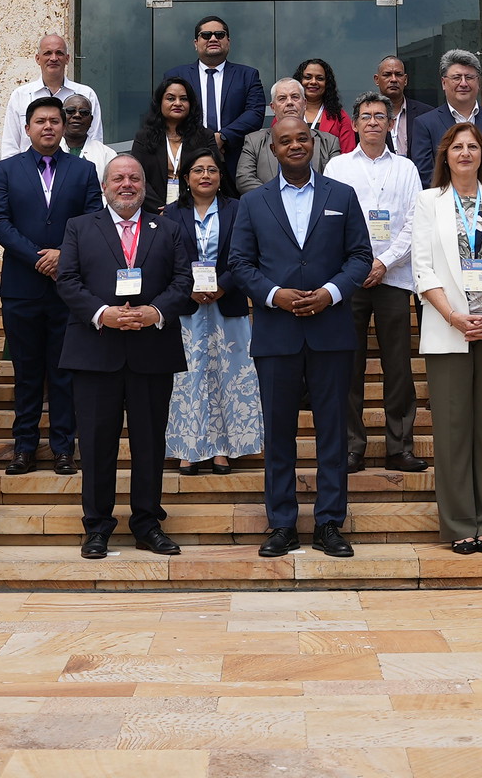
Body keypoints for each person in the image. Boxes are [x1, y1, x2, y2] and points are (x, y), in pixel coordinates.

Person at [230, 117, 375, 558]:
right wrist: (275, 295)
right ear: (271, 150)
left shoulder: (341, 196)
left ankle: (330, 523)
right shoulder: (254, 203)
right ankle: (282, 525)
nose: (295, 145)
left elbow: (360, 256)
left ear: (314, 143)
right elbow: (240, 263)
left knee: (333, 432)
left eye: (302, 138)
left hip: (330, 332)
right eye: (285, 141)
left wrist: (331, 294)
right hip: (277, 333)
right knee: (279, 435)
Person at [57, 155, 195, 558]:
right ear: (105, 185)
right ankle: (97, 527)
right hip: (95, 351)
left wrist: (155, 312)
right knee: (98, 445)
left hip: (152, 351)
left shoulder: (167, 229)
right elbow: (67, 279)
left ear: (144, 185)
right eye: (118, 178)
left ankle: (147, 523)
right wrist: (104, 314)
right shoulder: (80, 227)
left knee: (150, 444)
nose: (127, 184)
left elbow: (183, 280)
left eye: (134, 177)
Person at [413, 123, 482, 555]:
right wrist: (454, 316)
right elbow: (422, 268)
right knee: (453, 428)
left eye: (472, 147)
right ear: (446, 155)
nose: (465, 153)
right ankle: (461, 524)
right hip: (448, 329)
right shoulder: (428, 201)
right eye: (457, 147)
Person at [0, 96, 104, 476]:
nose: (49, 126)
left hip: (68, 289)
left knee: (63, 372)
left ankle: (63, 449)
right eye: (41, 121)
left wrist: (62, 255)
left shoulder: (84, 170)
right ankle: (23, 447)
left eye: (56, 120)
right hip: (23, 286)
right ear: (28, 127)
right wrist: (39, 256)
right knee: (26, 372)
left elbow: (92, 220)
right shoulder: (6, 169)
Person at [324, 92, 425, 475]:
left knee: (398, 365)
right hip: (348, 280)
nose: (372, 123)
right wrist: (358, 264)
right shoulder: (337, 167)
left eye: (380, 116)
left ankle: (400, 446)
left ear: (389, 123)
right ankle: (352, 446)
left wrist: (382, 261)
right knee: (349, 366)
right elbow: (330, 220)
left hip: (395, 277)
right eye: (365, 116)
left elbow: (416, 222)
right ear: (354, 123)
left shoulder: (406, 169)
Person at [164, 148, 261, 475]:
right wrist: (187, 288)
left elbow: (246, 255)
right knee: (187, 376)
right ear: (186, 177)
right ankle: (188, 449)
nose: (205, 175)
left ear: (221, 177)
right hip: (187, 308)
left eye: (212, 170)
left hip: (227, 305)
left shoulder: (238, 209)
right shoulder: (171, 215)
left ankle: (223, 449)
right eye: (198, 170)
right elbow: (166, 261)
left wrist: (224, 285)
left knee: (228, 377)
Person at [162, 14, 266, 178]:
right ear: (196, 43)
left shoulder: (248, 75)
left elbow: (255, 114)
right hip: (186, 161)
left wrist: (223, 137)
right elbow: (167, 114)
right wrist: (201, 141)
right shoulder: (176, 76)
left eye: (219, 35)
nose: (213, 39)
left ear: (228, 42)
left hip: (235, 163)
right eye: (205, 35)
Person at [408, 49, 482, 189]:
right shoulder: (425, 124)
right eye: (456, 78)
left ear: (478, 82)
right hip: (443, 201)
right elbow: (424, 173)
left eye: (469, 77)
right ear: (444, 83)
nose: (463, 83)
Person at [0, 33, 102, 158]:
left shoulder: (86, 94)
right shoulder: (20, 95)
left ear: (67, 58)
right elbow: (10, 145)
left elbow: (95, 142)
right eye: (47, 53)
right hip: (29, 172)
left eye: (59, 53)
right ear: (37, 58)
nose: (53, 58)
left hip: (76, 172)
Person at [129, 77, 222, 211]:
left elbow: (216, 174)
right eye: (171, 98)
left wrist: (184, 209)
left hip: (195, 209)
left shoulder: (205, 136)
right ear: (160, 103)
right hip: (153, 211)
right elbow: (136, 176)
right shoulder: (144, 137)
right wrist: (161, 210)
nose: (178, 103)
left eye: (183, 99)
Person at [236, 78, 338, 193]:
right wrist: (278, 199)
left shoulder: (329, 141)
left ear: (304, 104)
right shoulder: (254, 140)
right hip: (270, 207)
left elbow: (335, 179)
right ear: (273, 107)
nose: (289, 102)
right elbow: (244, 179)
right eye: (282, 98)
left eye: (295, 97)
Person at [373, 54, 433, 161]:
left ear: (405, 80)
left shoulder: (426, 114)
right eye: (387, 75)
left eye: (398, 74)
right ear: (377, 80)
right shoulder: (368, 117)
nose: (393, 79)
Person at [295, 57, 356, 152]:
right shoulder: (286, 114)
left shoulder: (340, 117)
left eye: (320, 78)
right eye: (308, 77)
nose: (313, 82)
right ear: (299, 81)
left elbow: (347, 154)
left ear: (327, 84)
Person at [59, 92, 117, 179]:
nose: (77, 115)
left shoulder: (108, 155)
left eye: (84, 112)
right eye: (70, 111)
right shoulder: (47, 150)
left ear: (91, 120)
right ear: (61, 116)